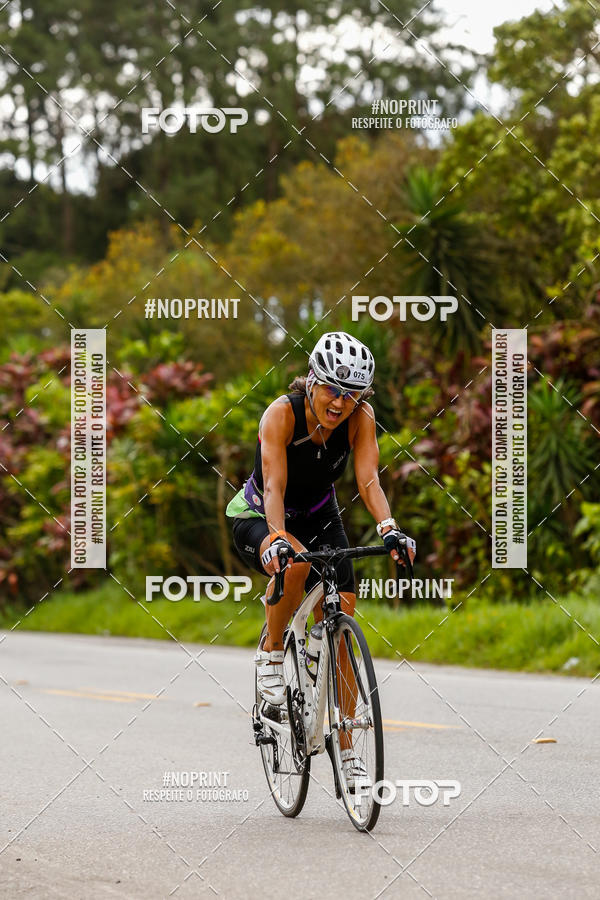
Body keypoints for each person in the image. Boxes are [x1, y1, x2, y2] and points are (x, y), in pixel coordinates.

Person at [226, 331, 416, 786]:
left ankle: (347, 748)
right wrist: (275, 538)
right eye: (332, 388)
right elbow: (273, 485)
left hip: (319, 516)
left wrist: (388, 528)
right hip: (259, 515)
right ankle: (272, 658)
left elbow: (368, 480)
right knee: (295, 564)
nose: (340, 402)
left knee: (343, 638)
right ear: (312, 380)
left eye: (352, 395)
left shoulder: (359, 418)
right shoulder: (281, 414)